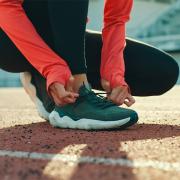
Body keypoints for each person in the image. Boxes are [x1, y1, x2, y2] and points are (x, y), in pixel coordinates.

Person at [0, 0, 179, 130]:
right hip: (10, 40)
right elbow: (5, 5)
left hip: (64, 35)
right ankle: (77, 94)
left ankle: (41, 82)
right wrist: (51, 66)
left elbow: (116, 19)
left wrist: (113, 73)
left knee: (162, 71)